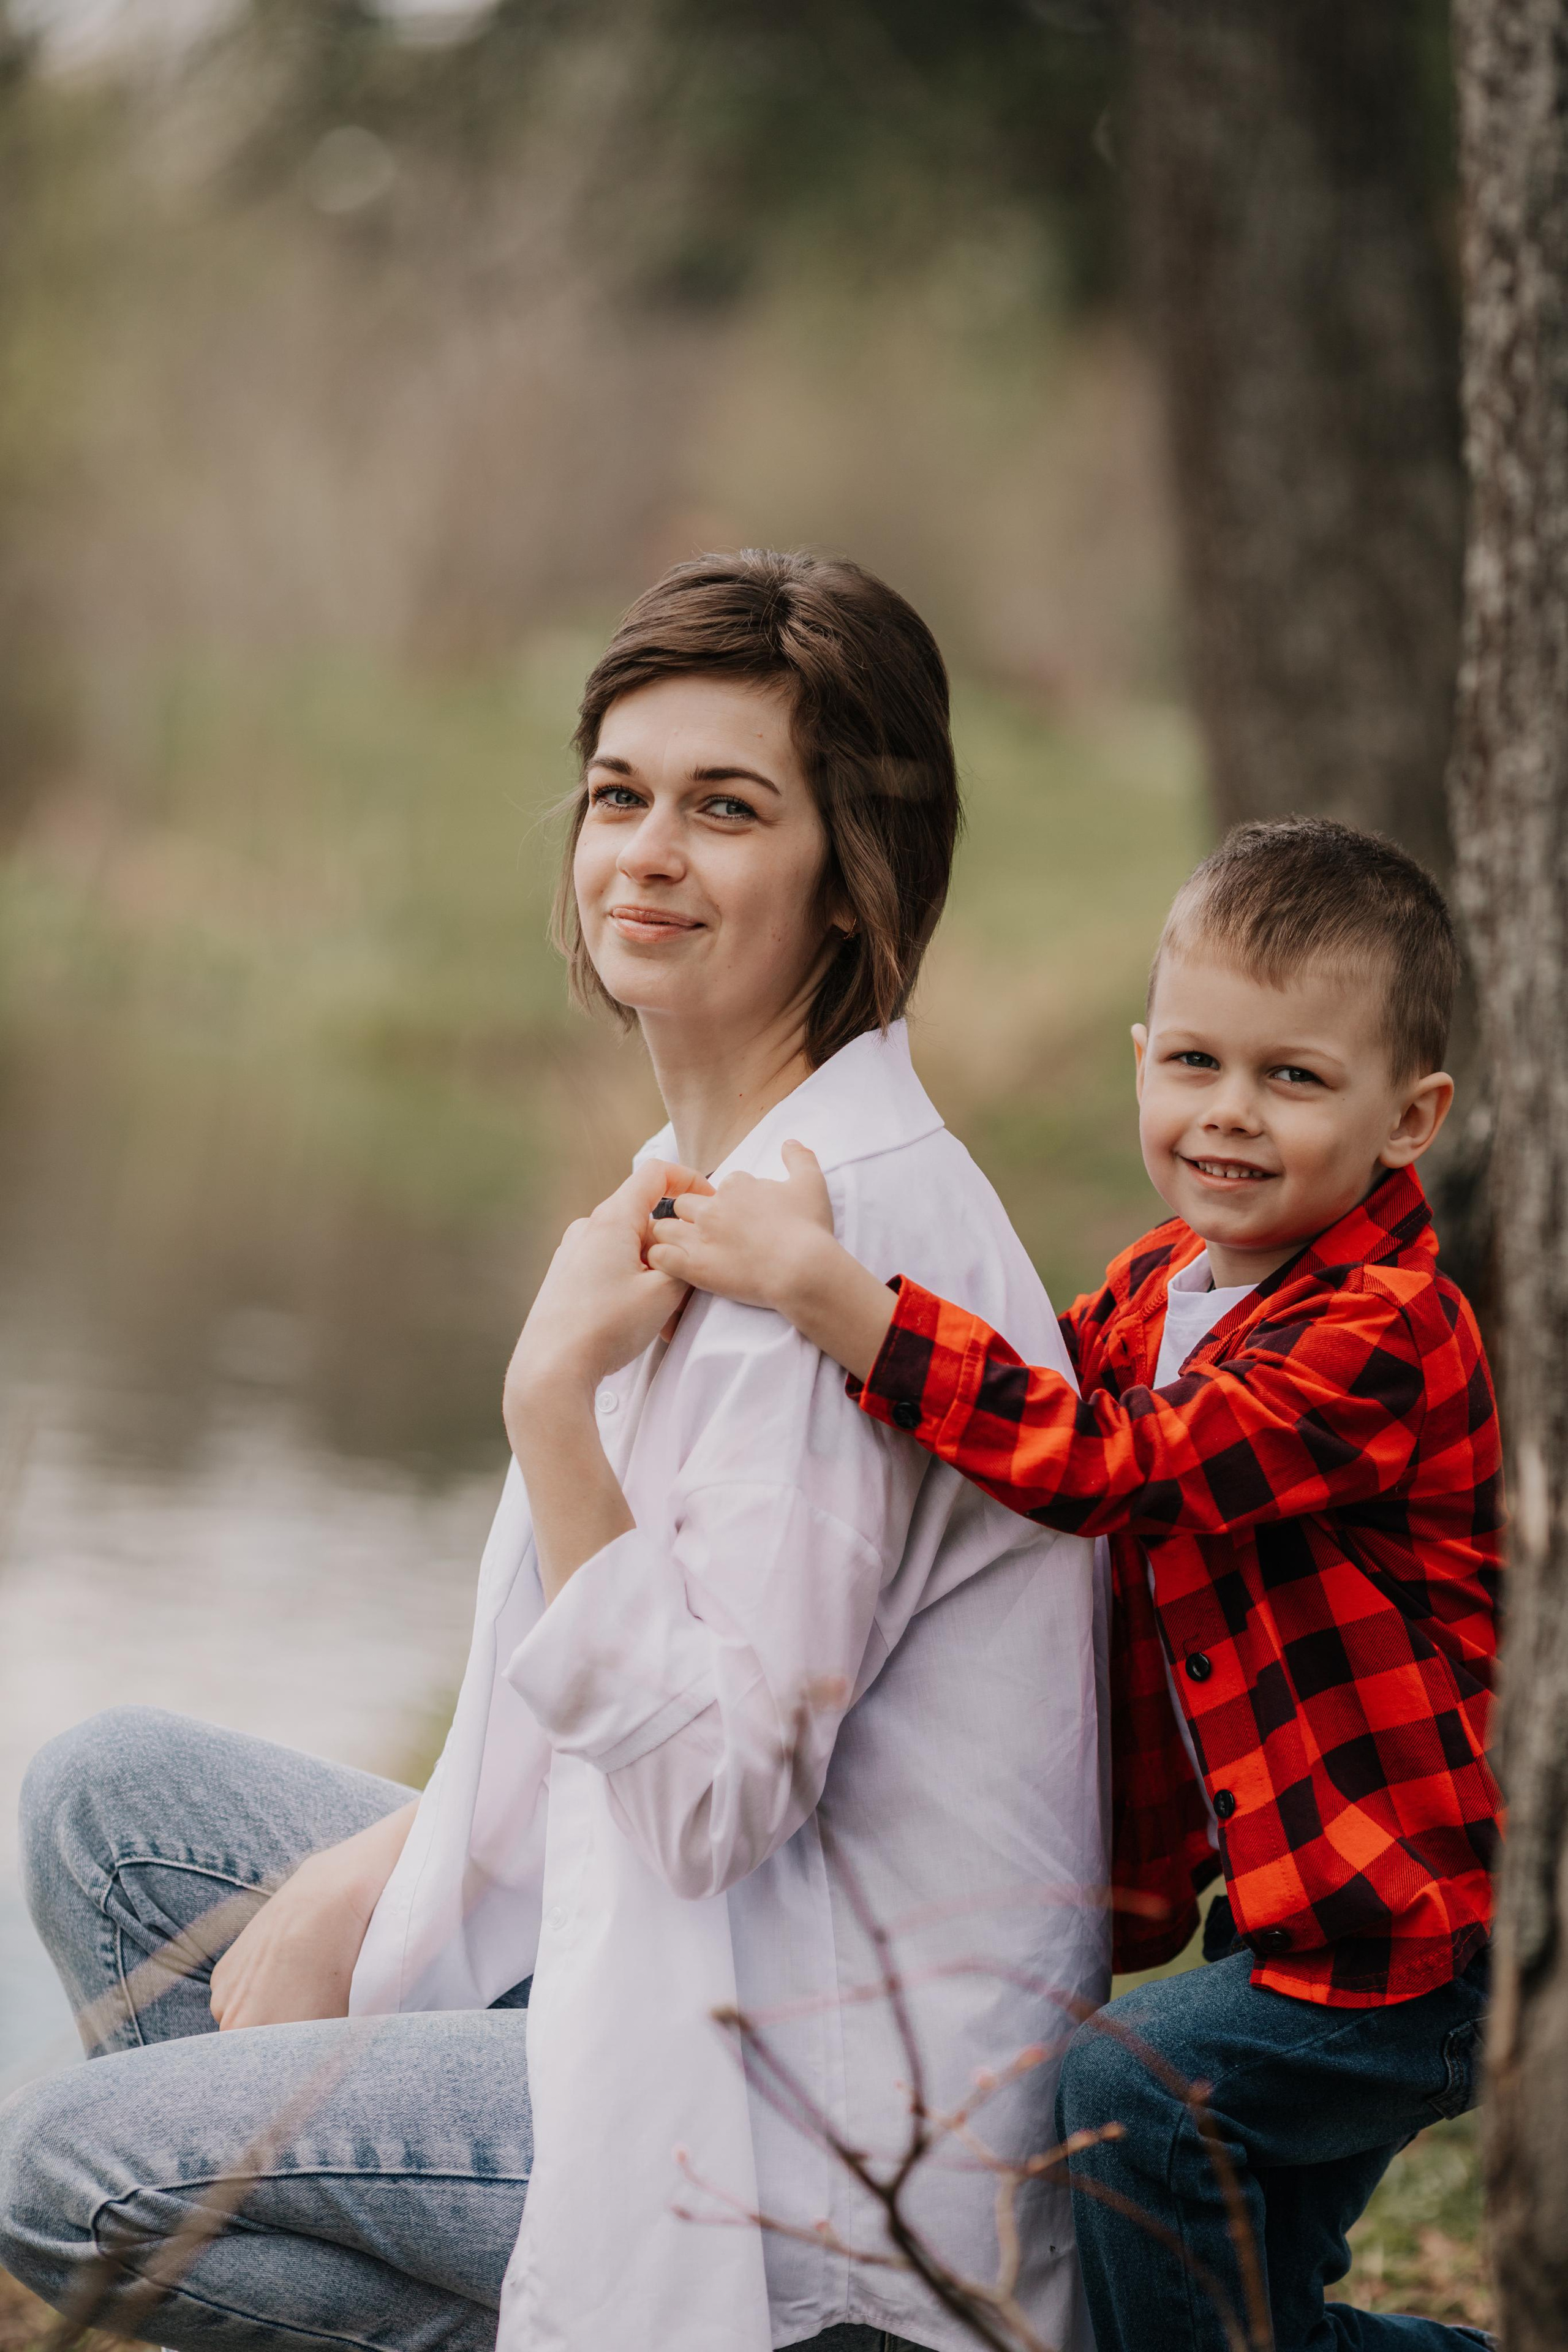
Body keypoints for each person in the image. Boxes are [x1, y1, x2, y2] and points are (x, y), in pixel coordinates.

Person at [0, 551, 1109, 2352]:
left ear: (850, 884)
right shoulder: (728, 1170)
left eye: (726, 809)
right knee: (108, 1807)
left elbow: (709, 1799)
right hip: (702, 1951)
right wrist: (404, 1853)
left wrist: (548, 1418)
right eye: (619, 796)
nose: (646, 854)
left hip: (808, 2120)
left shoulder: (832, 1257)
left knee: (66, 2171)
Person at [644, 816, 1503, 2352]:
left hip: (1395, 1943)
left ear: (1407, 1116)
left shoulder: (1384, 1330)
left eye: (1290, 1078)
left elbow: (1116, 1465)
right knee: (1244, 2320)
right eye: (1191, 1064)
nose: (1226, 1116)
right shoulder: (1149, 1290)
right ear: (1139, 1059)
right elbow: (1020, 1396)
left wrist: (841, 1298)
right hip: (1280, 1923)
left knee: (1124, 2096)